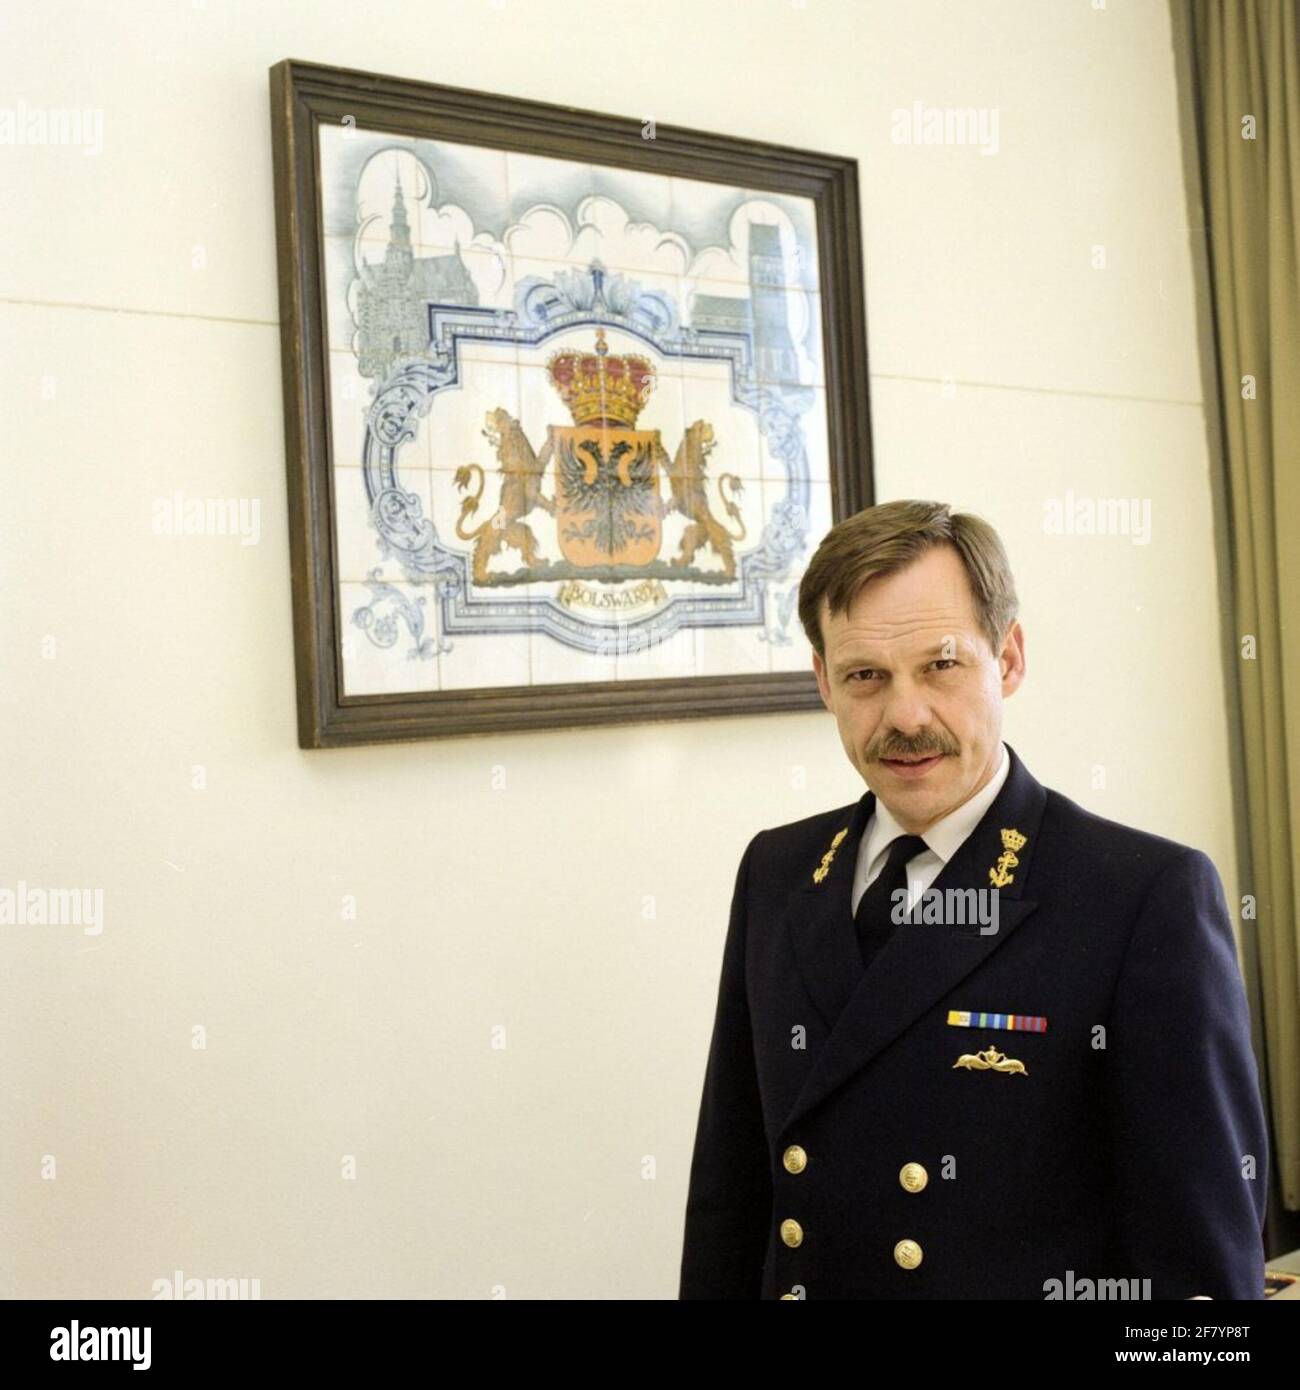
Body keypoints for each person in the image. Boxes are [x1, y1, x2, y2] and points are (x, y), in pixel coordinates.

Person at [678, 499, 1268, 1300]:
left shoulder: (1140, 898)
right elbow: (729, 1196)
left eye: (941, 665)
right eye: (866, 677)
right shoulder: (779, 872)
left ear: (1009, 659)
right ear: (823, 681)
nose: (905, 716)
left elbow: (1199, 1276)